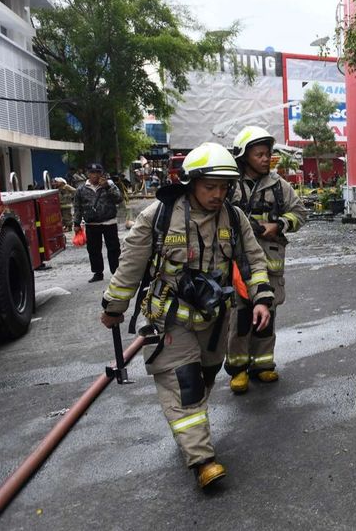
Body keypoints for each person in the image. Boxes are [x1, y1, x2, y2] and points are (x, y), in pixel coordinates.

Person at [99, 143, 274, 489]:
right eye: (210, 186)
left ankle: (191, 435)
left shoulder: (234, 218)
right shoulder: (158, 217)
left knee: (205, 379)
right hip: (171, 320)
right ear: (190, 182)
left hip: (214, 322)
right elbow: (130, 267)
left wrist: (261, 299)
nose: (218, 194)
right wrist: (113, 307)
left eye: (224, 187)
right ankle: (203, 461)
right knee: (187, 386)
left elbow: (253, 261)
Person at [224, 126, 307, 393]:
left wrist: (279, 225)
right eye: (259, 154)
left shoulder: (278, 186)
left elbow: (300, 213)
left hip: (269, 264)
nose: (264, 159)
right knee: (240, 316)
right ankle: (237, 368)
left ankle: (263, 364)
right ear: (244, 156)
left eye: (267, 154)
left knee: (266, 315)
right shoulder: (229, 186)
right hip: (237, 263)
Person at [74, 162, 123, 282]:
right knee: (93, 250)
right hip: (91, 224)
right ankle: (97, 272)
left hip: (109, 222)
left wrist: (107, 186)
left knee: (113, 249)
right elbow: (77, 207)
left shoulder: (110, 185)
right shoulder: (81, 189)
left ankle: (115, 272)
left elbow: (119, 198)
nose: (95, 175)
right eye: (92, 173)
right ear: (88, 174)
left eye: (97, 173)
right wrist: (76, 223)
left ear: (102, 174)